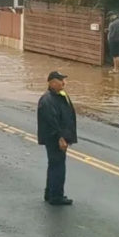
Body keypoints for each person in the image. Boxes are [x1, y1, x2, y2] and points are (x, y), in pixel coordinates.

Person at [37, 71, 78, 206]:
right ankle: (56, 196)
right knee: (58, 167)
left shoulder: (60, 96)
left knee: (54, 165)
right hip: (54, 139)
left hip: (60, 137)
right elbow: (51, 121)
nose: (64, 83)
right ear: (52, 82)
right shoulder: (48, 100)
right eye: (61, 81)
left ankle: (50, 193)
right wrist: (60, 138)